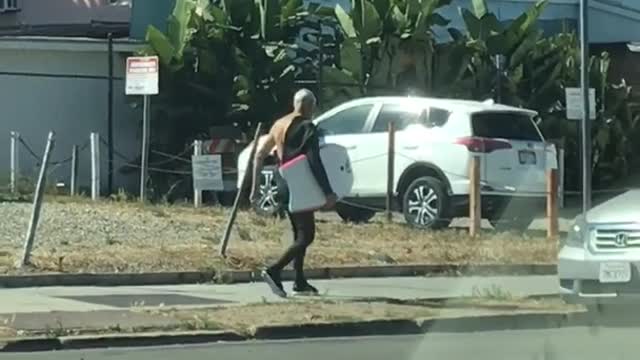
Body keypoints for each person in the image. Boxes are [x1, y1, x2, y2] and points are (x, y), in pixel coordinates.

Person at [250, 89, 337, 297]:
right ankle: (274, 270)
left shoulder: (278, 125)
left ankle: (299, 281)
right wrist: (328, 192)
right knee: (307, 235)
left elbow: (259, 156)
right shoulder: (308, 127)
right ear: (310, 106)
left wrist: (254, 190)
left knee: (299, 233)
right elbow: (315, 161)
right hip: (301, 183)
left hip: (283, 183)